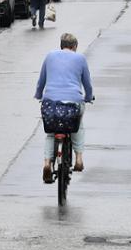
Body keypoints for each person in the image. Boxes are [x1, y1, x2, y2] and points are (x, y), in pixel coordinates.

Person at [34, 32, 94, 182]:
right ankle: (79, 158)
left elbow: (41, 80)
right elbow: (87, 84)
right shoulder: (80, 58)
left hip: (51, 103)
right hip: (73, 103)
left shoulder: (50, 56)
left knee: (50, 133)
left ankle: (47, 163)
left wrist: (39, 95)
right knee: (78, 126)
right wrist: (88, 97)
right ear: (75, 47)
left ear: (61, 46)